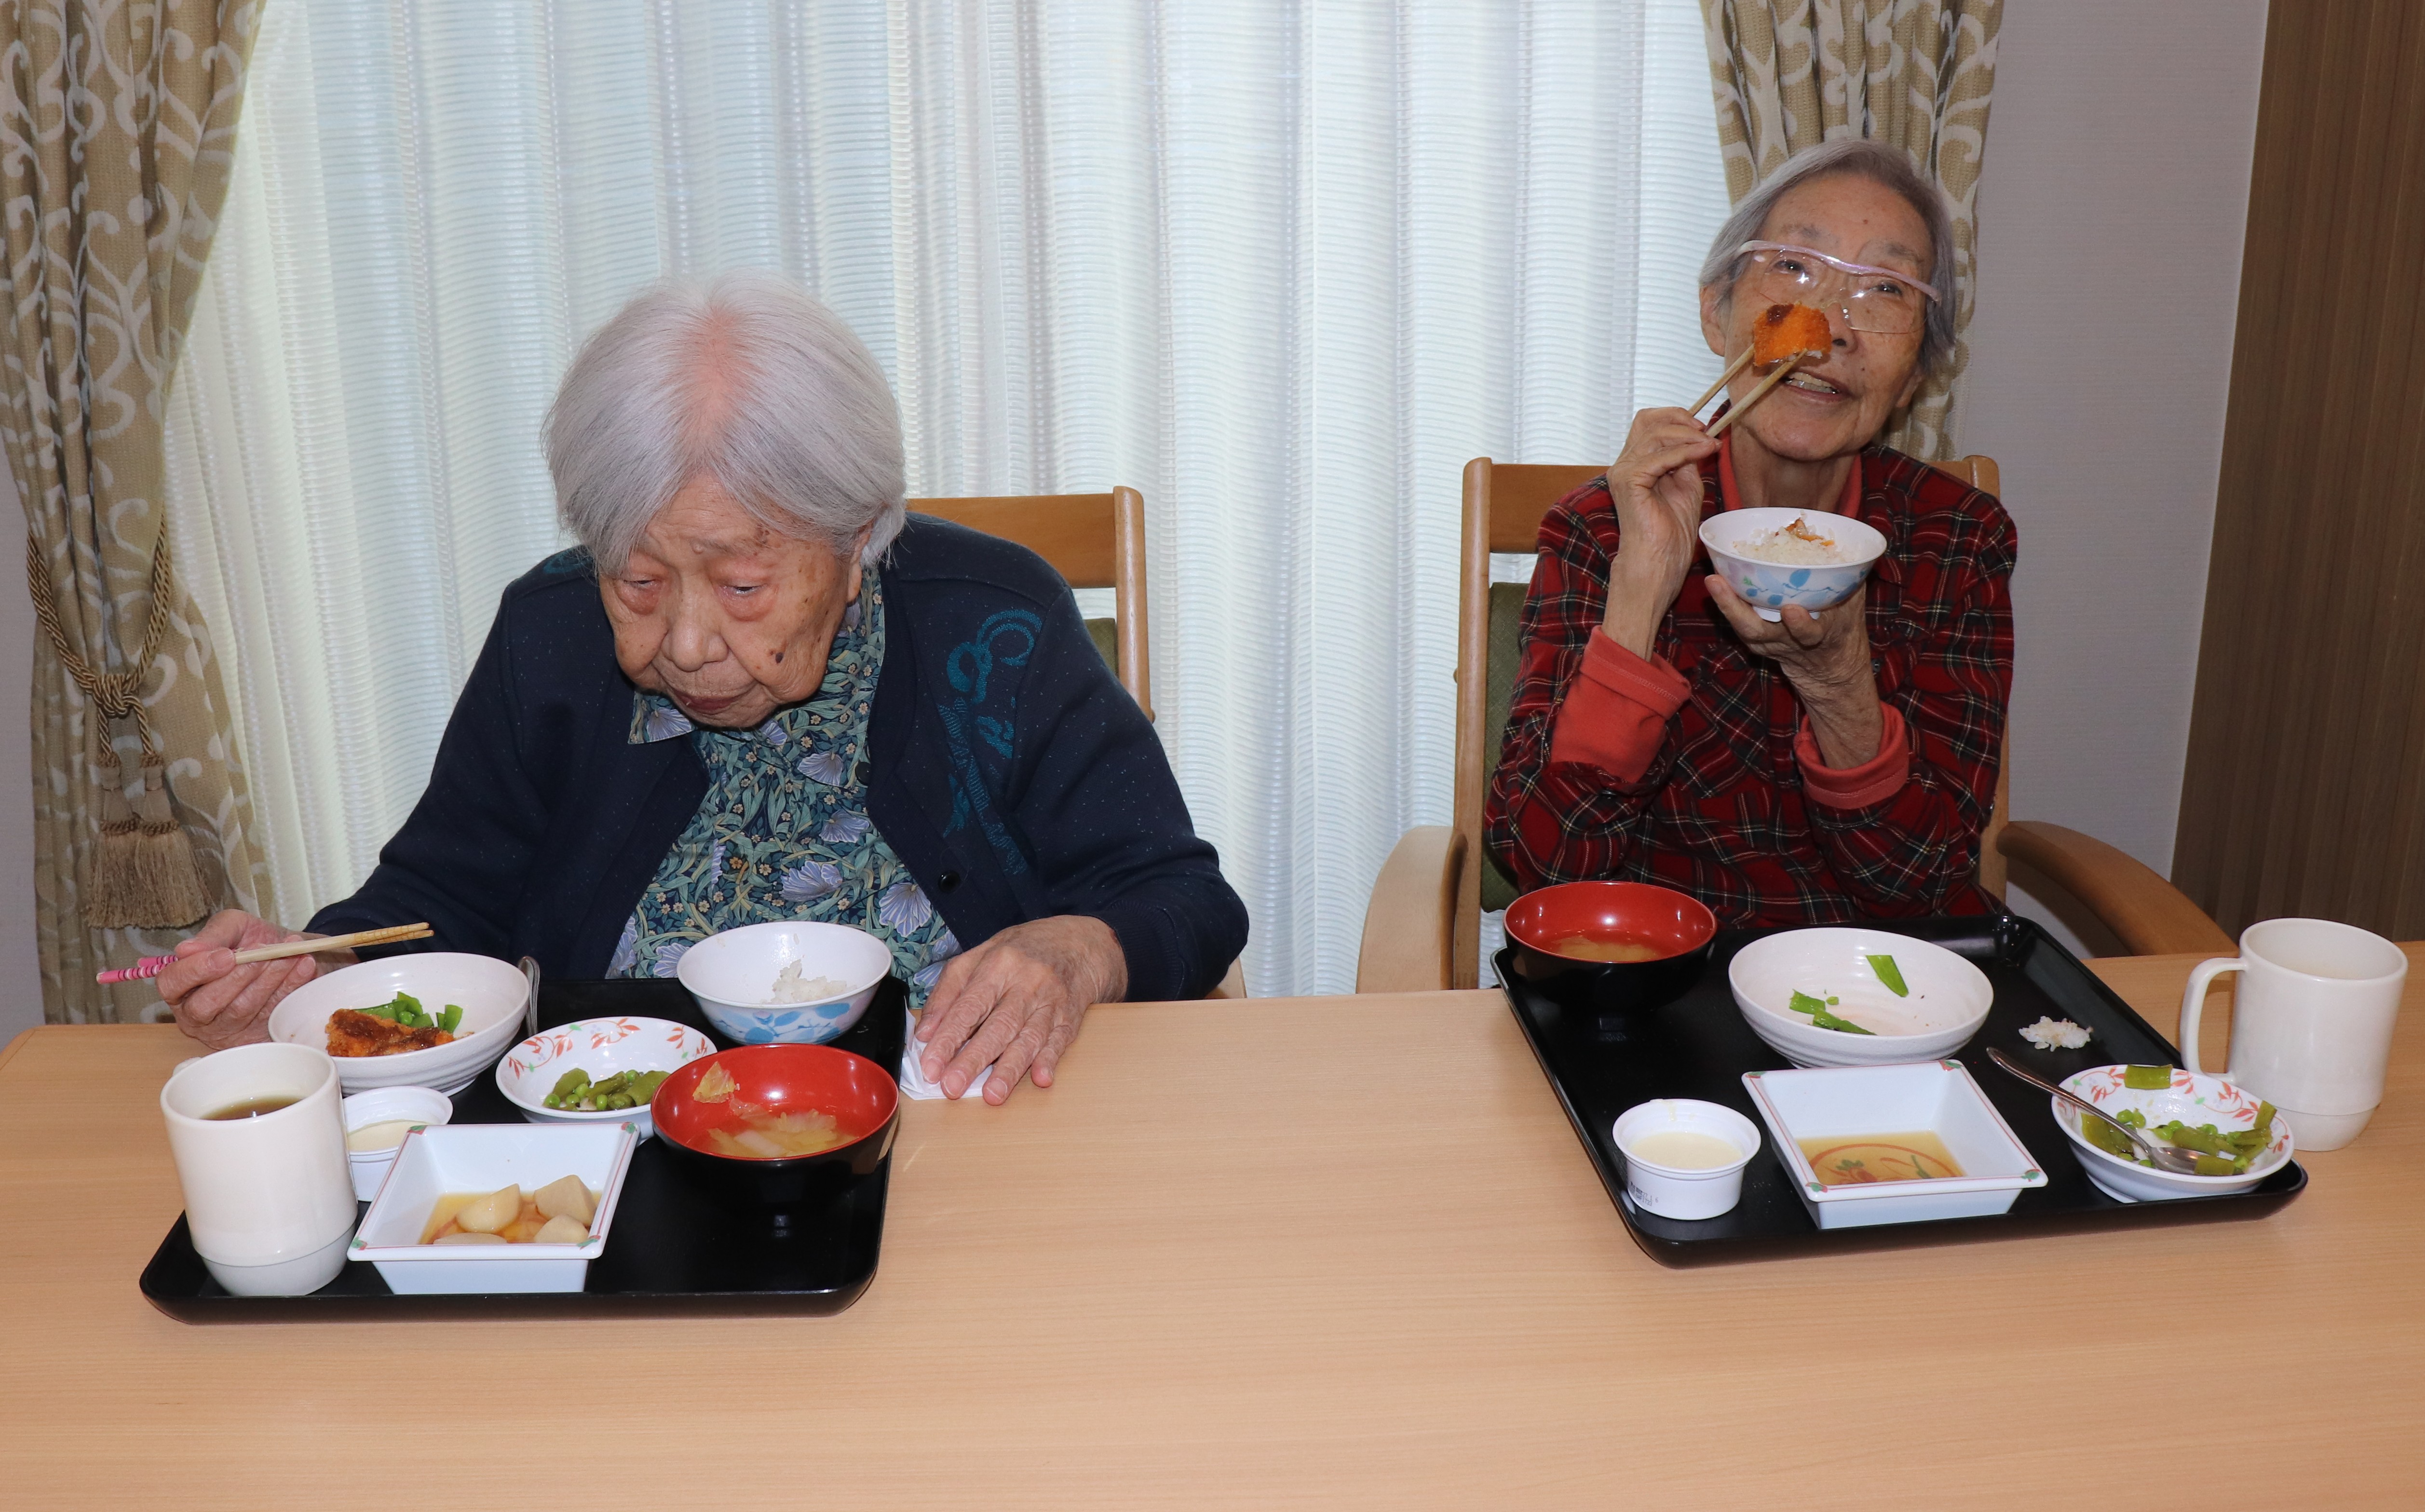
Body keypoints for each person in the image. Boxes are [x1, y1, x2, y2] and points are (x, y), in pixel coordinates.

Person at [163, 271, 1248, 1102]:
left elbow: (1178, 894)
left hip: (960, 1134)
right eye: (636, 581)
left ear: (858, 539)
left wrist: (1077, 951)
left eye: (740, 585)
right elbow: (439, 903)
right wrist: (306, 974)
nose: (684, 646)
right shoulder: (547, 635)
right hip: (617, 1147)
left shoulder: (993, 625)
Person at [1485, 139, 2014, 924]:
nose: (1826, 328)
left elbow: (1925, 882)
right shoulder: (1605, 525)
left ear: (1914, 376)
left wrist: (1839, 687)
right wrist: (1640, 592)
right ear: (1715, 312)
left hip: (1870, 972)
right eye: (1793, 268)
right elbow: (1548, 858)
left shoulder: (1957, 538)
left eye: (1883, 289)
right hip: (1660, 959)